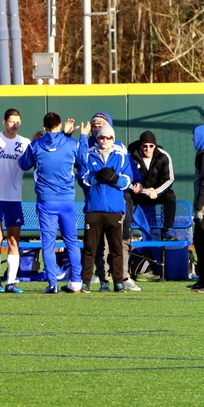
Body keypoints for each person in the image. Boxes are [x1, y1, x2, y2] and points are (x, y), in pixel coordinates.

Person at [18, 112, 84, 294]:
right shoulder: (71, 143)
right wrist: (78, 137)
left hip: (47, 201)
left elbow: (23, 164)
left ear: (44, 127)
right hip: (67, 201)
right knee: (71, 240)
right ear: (60, 124)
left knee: (48, 243)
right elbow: (82, 160)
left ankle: (53, 284)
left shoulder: (37, 145)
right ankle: (76, 281)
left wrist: (32, 141)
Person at [76, 123, 133, 292]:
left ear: (113, 139)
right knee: (90, 248)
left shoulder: (121, 155)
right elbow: (82, 178)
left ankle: (118, 282)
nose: (105, 140)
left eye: (108, 137)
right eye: (101, 137)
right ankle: (86, 281)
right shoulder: (89, 154)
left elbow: (128, 181)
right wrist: (96, 177)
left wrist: (116, 179)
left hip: (114, 209)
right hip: (94, 208)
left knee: (116, 248)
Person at [0, 109, 28, 294]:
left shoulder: (25, 143)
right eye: (11, 121)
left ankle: (11, 282)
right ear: (4, 122)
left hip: (14, 198)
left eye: (17, 121)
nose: (14, 125)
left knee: (13, 240)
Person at [128, 130, 177, 241]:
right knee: (126, 196)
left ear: (155, 145)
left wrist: (156, 192)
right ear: (141, 146)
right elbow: (126, 178)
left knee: (170, 196)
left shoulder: (163, 156)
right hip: (138, 193)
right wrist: (140, 188)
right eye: (145, 146)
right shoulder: (131, 156)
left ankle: (168, 228)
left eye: (151, 146)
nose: (148, 149)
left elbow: (169, 179)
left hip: (156, 193)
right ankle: (127, 229)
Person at [191, 124, 204, 292]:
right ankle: (203, 280)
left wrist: (199, 207)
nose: (193, 139)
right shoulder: (202, 154)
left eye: (195, 136)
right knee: (200, 243)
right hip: (203, 208)